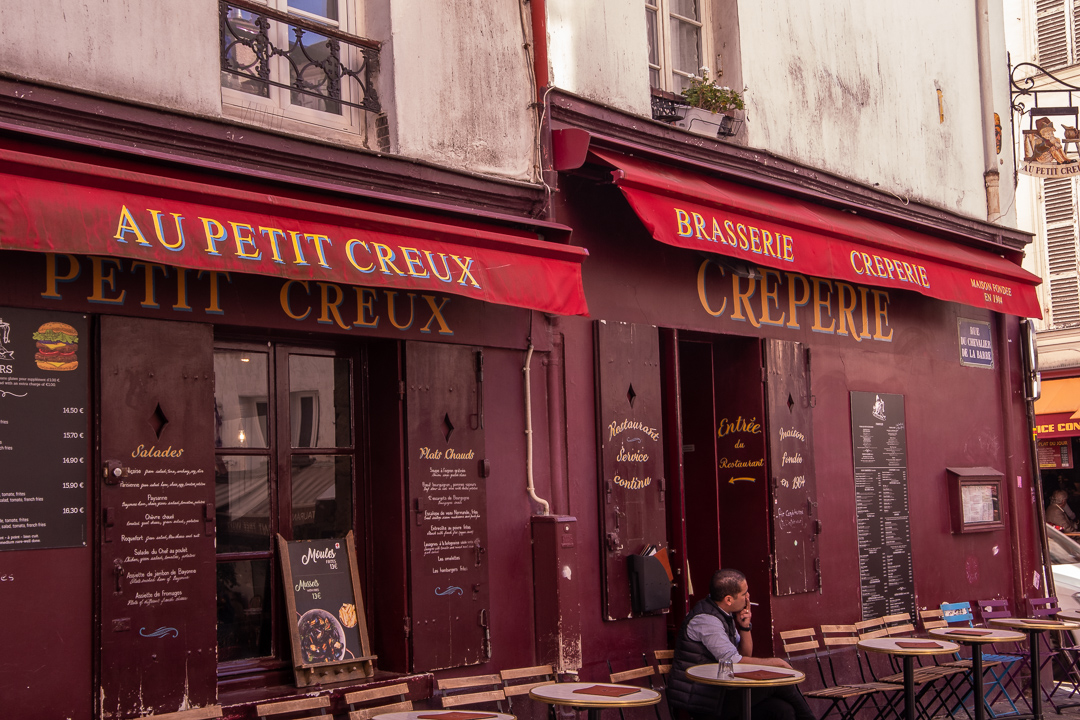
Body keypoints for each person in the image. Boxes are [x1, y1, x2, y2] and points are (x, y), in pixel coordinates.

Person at [668, 568, 814, 720]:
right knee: (780, 682)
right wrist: (775, 663)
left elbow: (744, 656)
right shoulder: (706, 620)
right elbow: (733, 661)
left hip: (721, 693)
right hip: (703, 698)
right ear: (729, 599)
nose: (748, 597)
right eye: (744, 593)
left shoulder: (724, 614)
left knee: (783, 710)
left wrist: (744, 626)